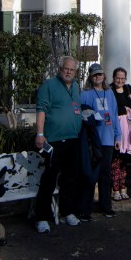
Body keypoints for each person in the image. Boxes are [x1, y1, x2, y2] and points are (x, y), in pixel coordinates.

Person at [33, 56, 83, 234]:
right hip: (54, 140)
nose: (69, 72)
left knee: (70, 178)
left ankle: (67, 212)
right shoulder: (49, 85)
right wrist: (40, 133)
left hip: (72, 139)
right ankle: (41, 217)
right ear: (59, 69)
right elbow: (41, 109)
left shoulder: (76, 86)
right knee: (49, 178)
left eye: (72, 69)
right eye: (66, 68)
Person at [79, 63, 121, 220]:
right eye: (95, 75)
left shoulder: (109, 93)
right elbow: (81, 115)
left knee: (105, 174)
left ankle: (106, 206)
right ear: (90, 76)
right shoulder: (85, 94)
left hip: (108, 139)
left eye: (100, 74)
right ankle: (85, 208)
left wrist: (118, 136)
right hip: (92, 139)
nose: (98, 77)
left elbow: (115, 114)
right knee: (90, 174)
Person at [110, 66, 131, 201]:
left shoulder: (128, 88)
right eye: (117, 78)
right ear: (113, 78)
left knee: (124, 160)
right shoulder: (109, 90)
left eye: (122, 78)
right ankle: (115, 188)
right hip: (116, 128)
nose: (120, 81)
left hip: (128, 128)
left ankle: (123, 187)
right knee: (115, 160)